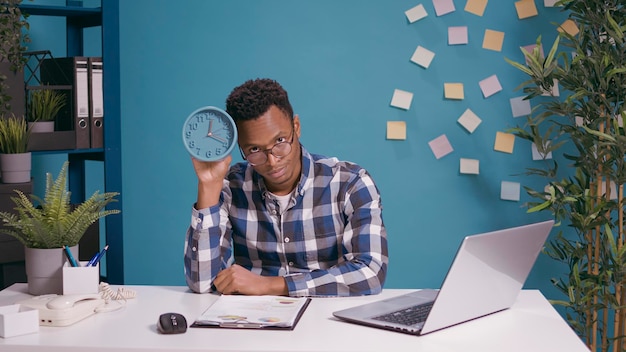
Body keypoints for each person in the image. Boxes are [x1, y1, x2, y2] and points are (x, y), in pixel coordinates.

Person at [185, 78, 388, 297]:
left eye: (280, 140)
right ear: (240, 148)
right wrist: (208, 185)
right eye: (254, 150)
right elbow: (201, 283)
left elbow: (370, 273)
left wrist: (271, 285)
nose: (272, 161)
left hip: (327, 319)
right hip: (250, 321)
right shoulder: (230, 186)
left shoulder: (350, 183)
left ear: (296, 127)